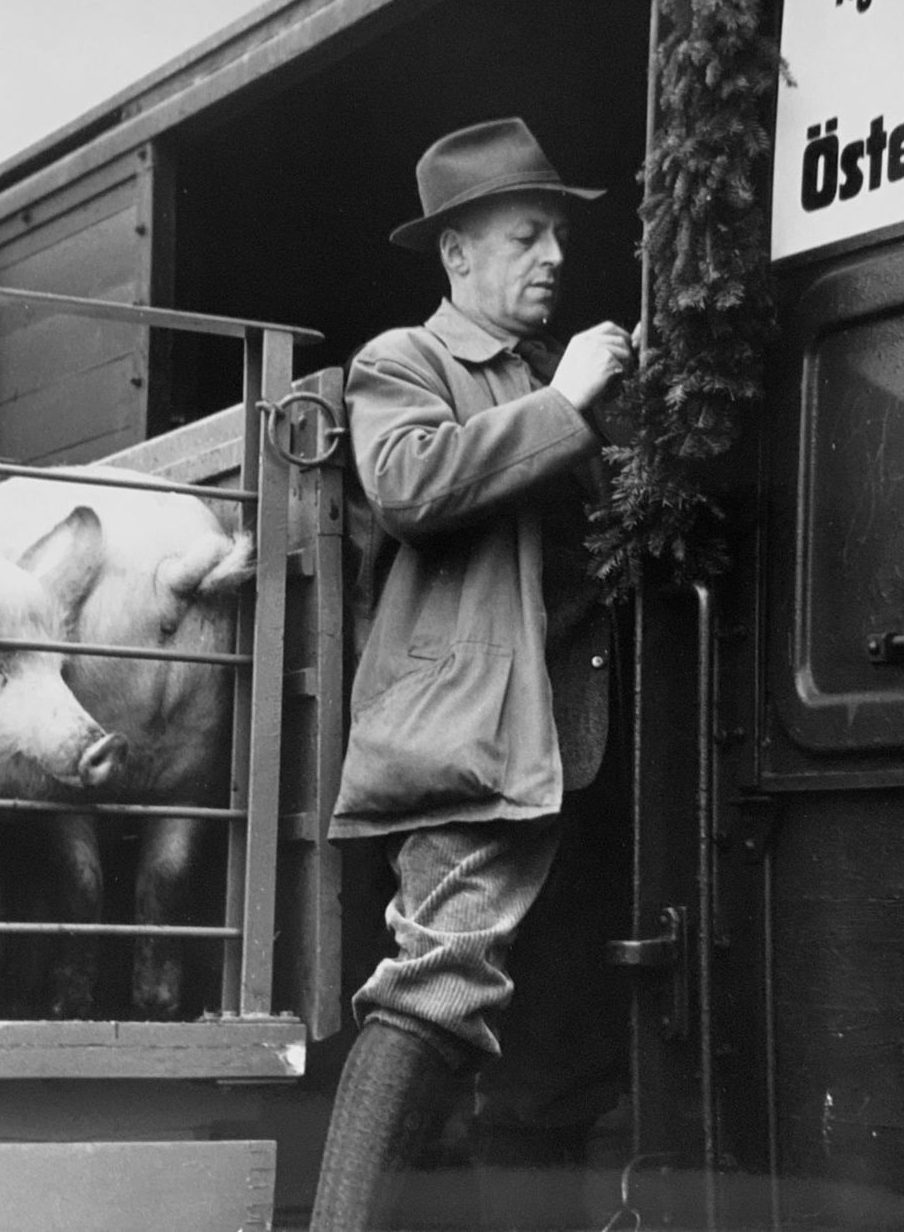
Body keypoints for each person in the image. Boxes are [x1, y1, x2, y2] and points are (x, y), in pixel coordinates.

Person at [311, 117, 636, 1231]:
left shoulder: (554, 374)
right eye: (529, 234)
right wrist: (568, 404)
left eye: (557, 235)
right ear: (458, 254)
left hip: (571, 748)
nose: (555, 255)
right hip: (474, 737)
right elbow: (410, 483)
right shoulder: (405, 363)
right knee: (436, 983)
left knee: (561, 1048)